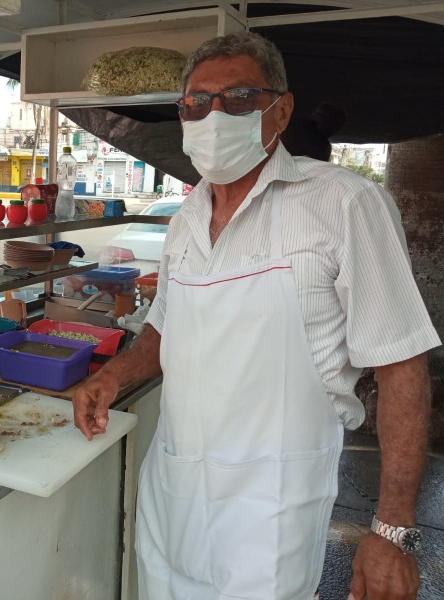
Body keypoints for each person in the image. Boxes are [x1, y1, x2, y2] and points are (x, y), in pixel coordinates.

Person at [73, 31, 439, 600]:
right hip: (174, 497)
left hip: (271, 516)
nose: (214, 115)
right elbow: (165, 327)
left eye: (239, 97)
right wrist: (112, 375)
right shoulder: (187, 218)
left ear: (281, 110)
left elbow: (401, 365)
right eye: (197, 102)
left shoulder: (344, 204)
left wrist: (391, 527)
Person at [282, 103, 346, 161]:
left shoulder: (298, 123)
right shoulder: (324, 148)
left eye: (319, 114)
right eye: (317, 113)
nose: (314, 115)